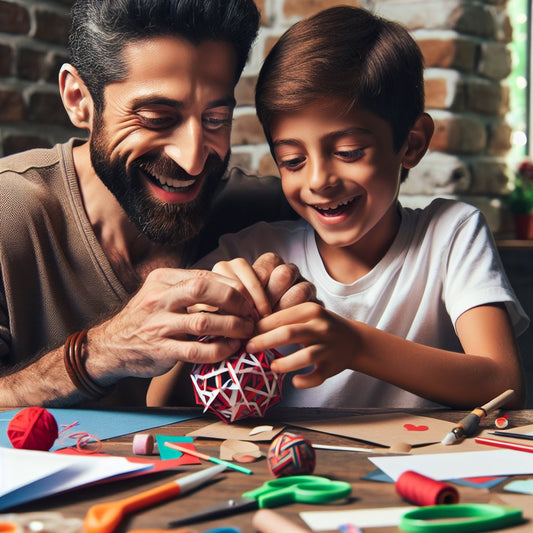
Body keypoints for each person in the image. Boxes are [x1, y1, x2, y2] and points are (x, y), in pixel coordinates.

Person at [149, 6, 529, 409]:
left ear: (412, 143)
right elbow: (160, 408)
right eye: (293, 161)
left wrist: (356, 346)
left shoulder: (450, 234)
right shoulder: (249, 254)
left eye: (348, 152)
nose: (318, 181)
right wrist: (202, 330)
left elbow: (503, 385)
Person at [0, 0, 311, 407]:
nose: (193, 158)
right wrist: (103, 352)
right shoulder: (10, 210)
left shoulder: (266, 211)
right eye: (156, 118)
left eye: (215, 120)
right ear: (78, 99)